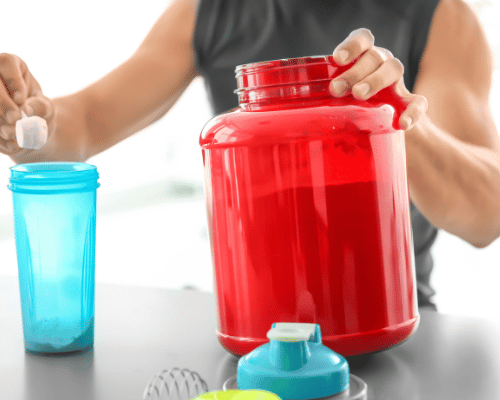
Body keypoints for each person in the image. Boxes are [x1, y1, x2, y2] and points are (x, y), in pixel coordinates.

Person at [1, 0, 499, 310]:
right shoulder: (208, 11)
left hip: (386, 318)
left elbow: (487, 215)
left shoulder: (444, 17)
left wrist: (397, 119)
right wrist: (26, 122)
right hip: (256, 325)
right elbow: (87, 122)